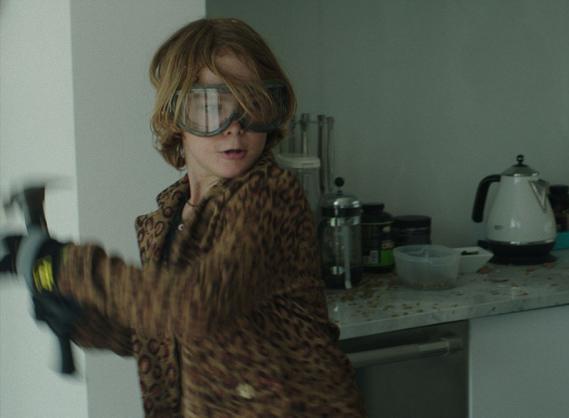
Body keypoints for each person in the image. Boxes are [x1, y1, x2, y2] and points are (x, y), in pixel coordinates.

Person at [0, 18, 365, 417]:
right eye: (211, 107)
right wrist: (84, 321)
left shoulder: (270, 195)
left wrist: (68, 264)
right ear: (176, 116)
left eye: (253, 103)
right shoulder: (168, 218)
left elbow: (198, 305)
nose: (236, 127)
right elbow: (165, 331)